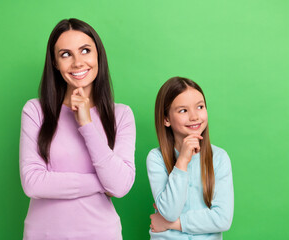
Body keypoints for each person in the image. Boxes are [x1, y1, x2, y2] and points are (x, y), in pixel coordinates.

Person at [19, 18, 136, 240]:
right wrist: (101, 182)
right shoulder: (35, 111)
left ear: (98, 55)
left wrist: (86, 123)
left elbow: (120, 187)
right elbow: (32, 183)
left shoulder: (121, 115)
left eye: (85, 50)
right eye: (65, 54)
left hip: (101, 233)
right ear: (55, 63)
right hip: (43, 234)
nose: (77, 62)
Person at [147, 77, 234, 239]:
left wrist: (170, 225)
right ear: (166, 119)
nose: (194, 117)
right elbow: (169, 212)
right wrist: (182, 162)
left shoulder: (219, 158)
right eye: (183, 110)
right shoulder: (156, 158)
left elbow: (223, 219)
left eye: (200, 107)